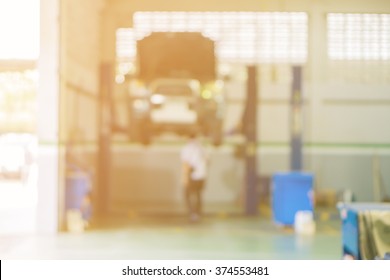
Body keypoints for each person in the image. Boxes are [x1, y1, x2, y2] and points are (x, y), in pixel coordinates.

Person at [181, 129, 209, 222]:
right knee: (198, 195)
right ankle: (198, 213)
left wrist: (185, 177)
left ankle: (192, 213)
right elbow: (208, 161)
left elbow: (186, 164)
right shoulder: (202, 147)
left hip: (192, 175)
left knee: (187, 194)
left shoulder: (187, 148)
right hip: (202, 175)